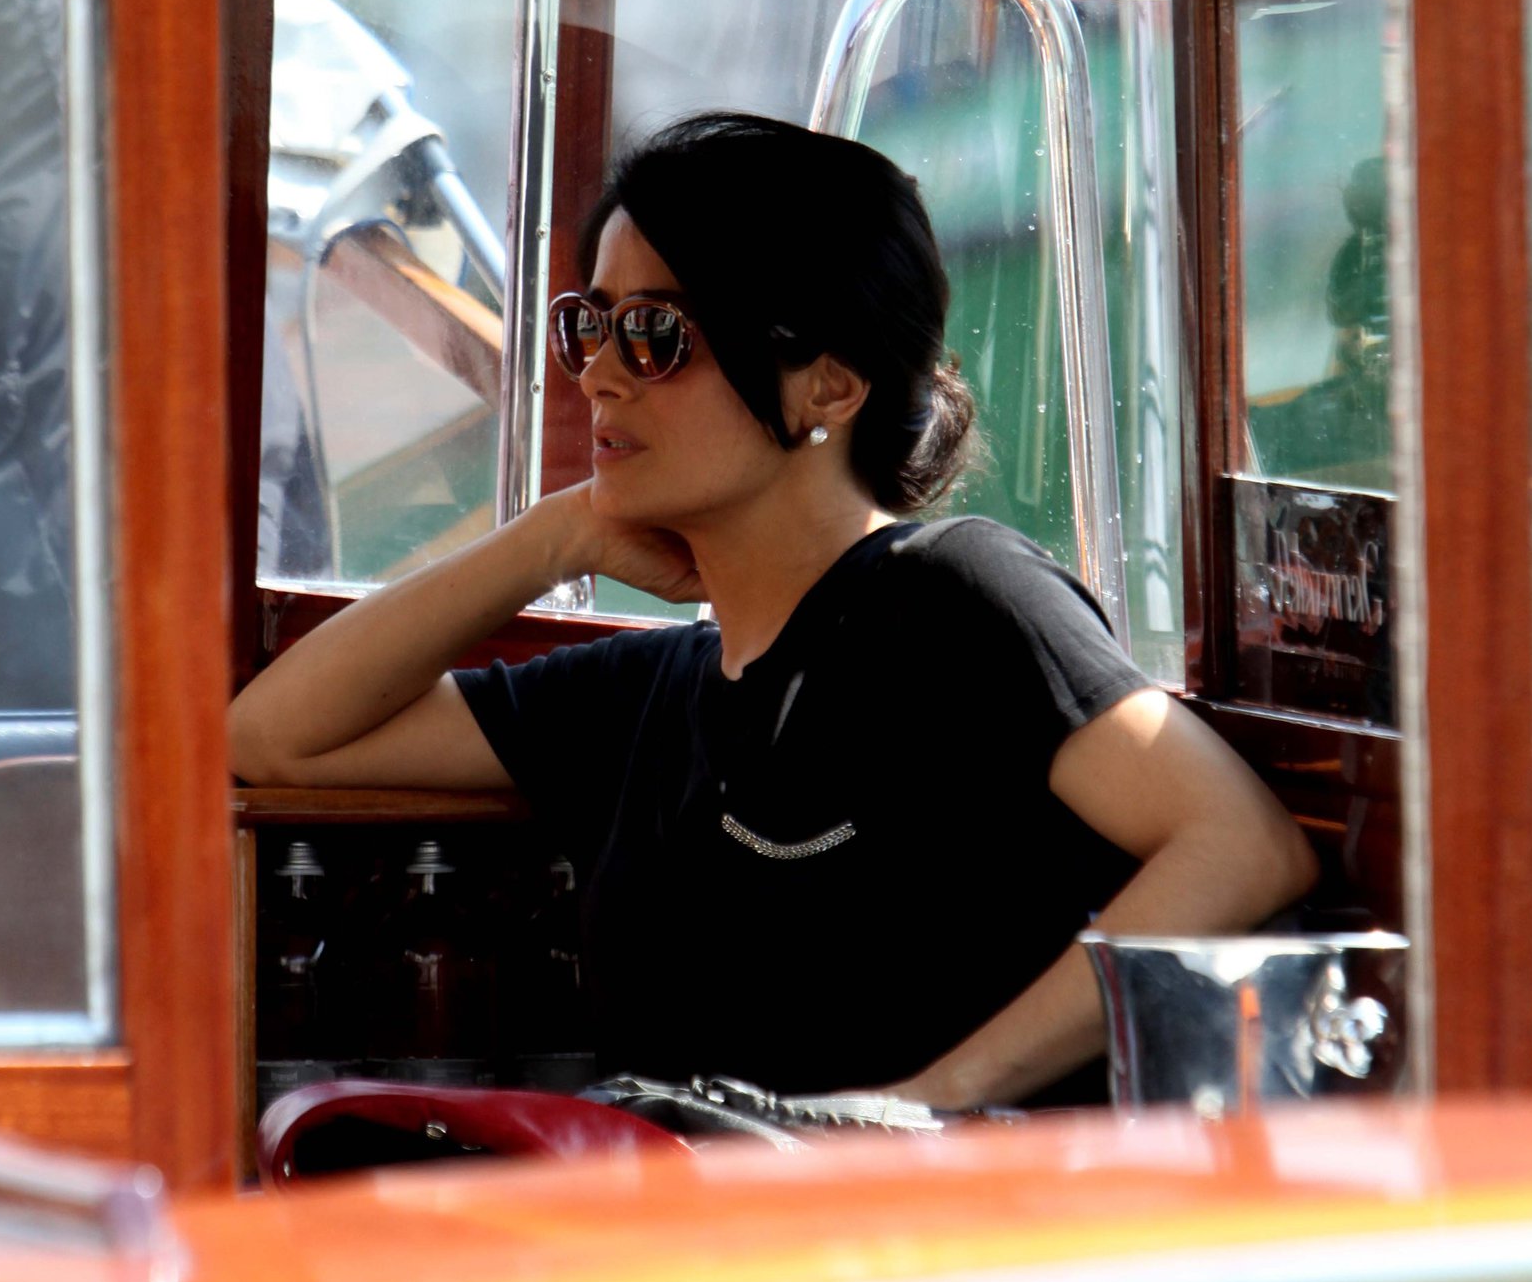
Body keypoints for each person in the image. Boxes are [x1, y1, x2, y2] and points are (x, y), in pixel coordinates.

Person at [231, 113, 1316, 1106]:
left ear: (827, 387)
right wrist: (554, 536)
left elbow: (1239, 841)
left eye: (655, 334)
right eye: (586, 328)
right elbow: (273, 737)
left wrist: (925, 1107)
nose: (600, 376)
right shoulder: (640, 701)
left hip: (940, 1266)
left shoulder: (954, 598)